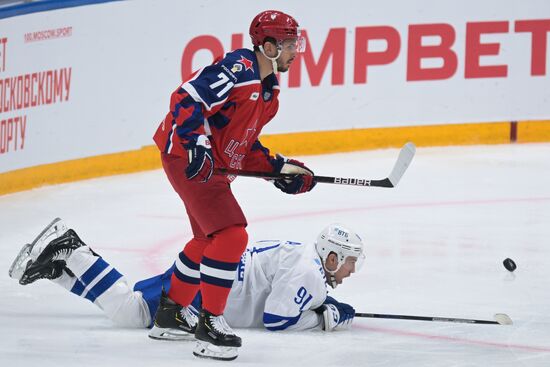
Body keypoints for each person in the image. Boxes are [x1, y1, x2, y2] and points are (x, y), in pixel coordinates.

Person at [150, 9, 316, 359]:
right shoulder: (239, 69)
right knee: (231, 235)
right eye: (288, 43)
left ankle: (171, 314)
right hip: (187, 157)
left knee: (205, 239)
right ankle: (210, 326)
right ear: (267, 46)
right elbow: (186, 98)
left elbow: (241, 145)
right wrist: (195, 143)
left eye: (295, 42)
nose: (295, 51)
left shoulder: (269, 92)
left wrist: (280, 169)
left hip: (201, 160)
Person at [10, 218, 364, 361]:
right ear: (331, 255)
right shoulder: (310, 271)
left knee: (134, 305)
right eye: (349, 261)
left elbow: (283, 303)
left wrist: (318, 306)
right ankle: (72, 250)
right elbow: (277, 319)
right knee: (130, 313)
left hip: (209, 276)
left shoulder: (305, 260)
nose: (350, 270)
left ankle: (59, 269)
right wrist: (322, 319)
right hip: (207, 288)